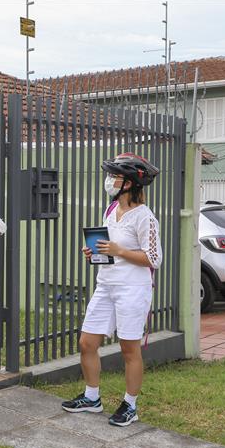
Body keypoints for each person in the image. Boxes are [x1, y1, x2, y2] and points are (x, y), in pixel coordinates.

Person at [61, 152, 163, 426]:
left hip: (132, 289)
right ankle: (92, 398)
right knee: (87, 343)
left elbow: (154, 259)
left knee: (129, 349)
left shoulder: (145, 217)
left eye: (114, 176)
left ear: (129, 183)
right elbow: (109, 246)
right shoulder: (110, 210)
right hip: (105, 284)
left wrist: (119, 250)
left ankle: (130, 405)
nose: (109, 181)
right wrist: (94, 252)